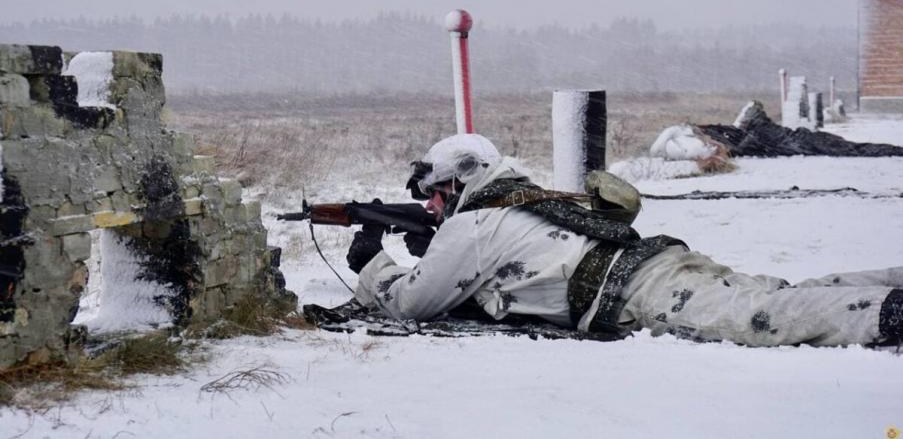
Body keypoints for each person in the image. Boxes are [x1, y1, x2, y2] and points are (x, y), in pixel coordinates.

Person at [347, 133, 903, 347]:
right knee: (776, 293)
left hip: (641, 290)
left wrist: (373, 264)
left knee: (765, 319)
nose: (430, 208)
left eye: (435, 195)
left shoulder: (472, 225)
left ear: (460, 183)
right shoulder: (520, 196)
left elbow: (412, 303)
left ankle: (891, 311)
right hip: (655, 265)